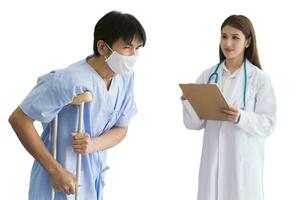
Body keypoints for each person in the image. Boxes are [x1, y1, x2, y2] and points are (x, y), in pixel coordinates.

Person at [8, 11, 146, 200]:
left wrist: (92, 145)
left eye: (138, 48)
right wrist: (55, 171)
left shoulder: (126, 78)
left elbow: (121, 129)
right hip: (56, 180)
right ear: (103, 48)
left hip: (91, 176)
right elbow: (19, 119)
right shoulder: (69, 80)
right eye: (127, 47)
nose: (134, 55)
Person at [181, 15, 276, 200]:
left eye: (235, 37)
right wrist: (188, 101)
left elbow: (269, 124)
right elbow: (193, 124)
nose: (228, 43)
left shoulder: (259, 79)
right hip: (213, 165)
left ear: (247, 41)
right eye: (224, 36)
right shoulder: (208, 76)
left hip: (243, 166)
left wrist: (241, 117)